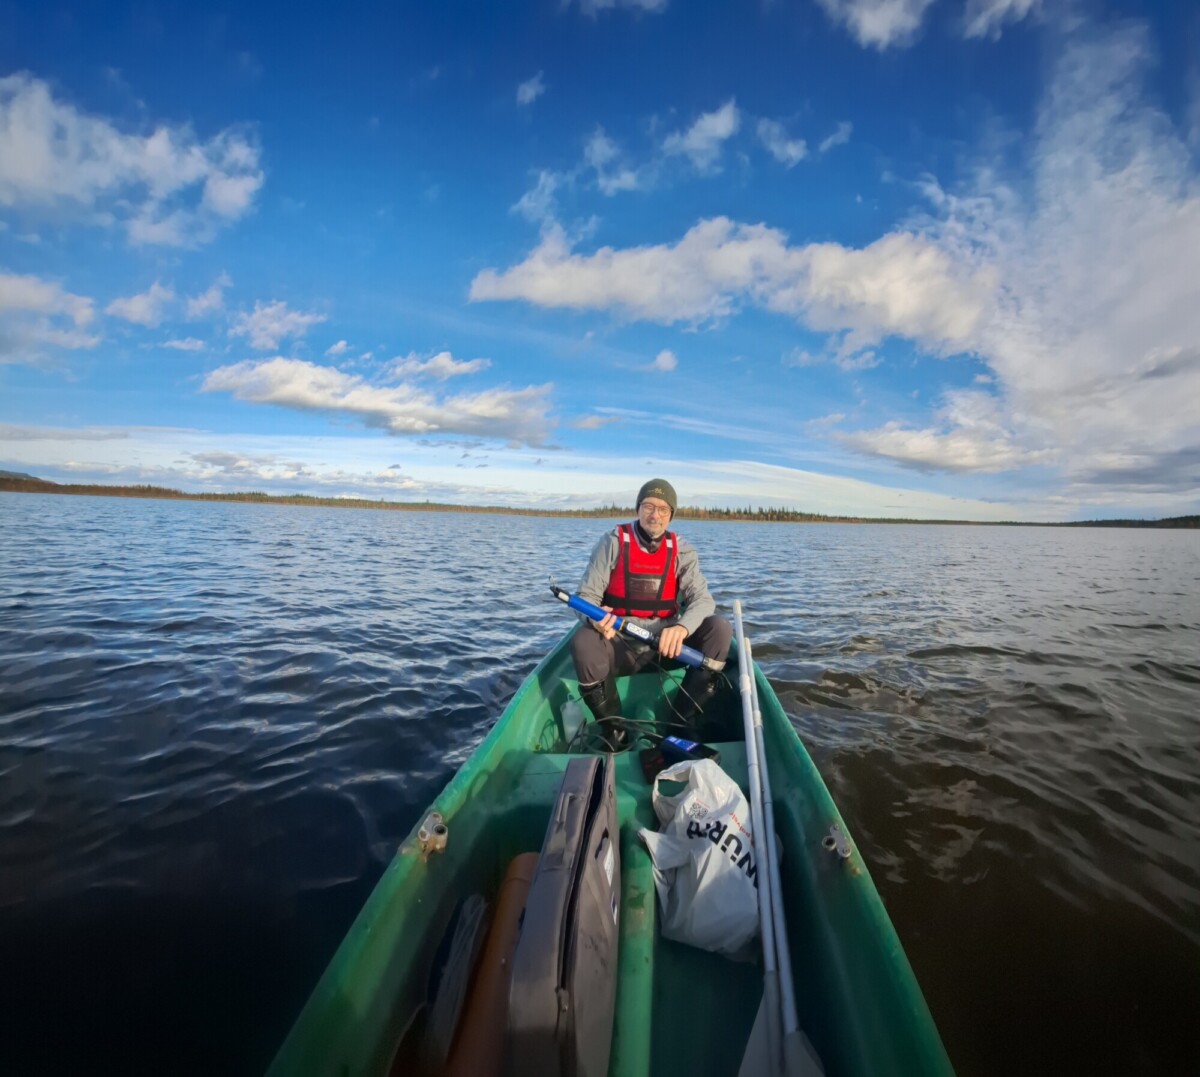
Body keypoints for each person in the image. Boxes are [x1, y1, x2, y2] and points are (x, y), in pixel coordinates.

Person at [570, 478, 732, 745]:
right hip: (620, 646)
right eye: (648, 506)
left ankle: (682, 724)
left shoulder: (683, 550)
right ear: (637, 509)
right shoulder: (611, 542)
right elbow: (586, 596)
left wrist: (681, 628)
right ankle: (614, 731)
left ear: (671, 515)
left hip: (667, 649)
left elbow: (703, 600)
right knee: (584, 640)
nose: (655, 514)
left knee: (720, 628)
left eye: (663, 509)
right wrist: (595, 617)